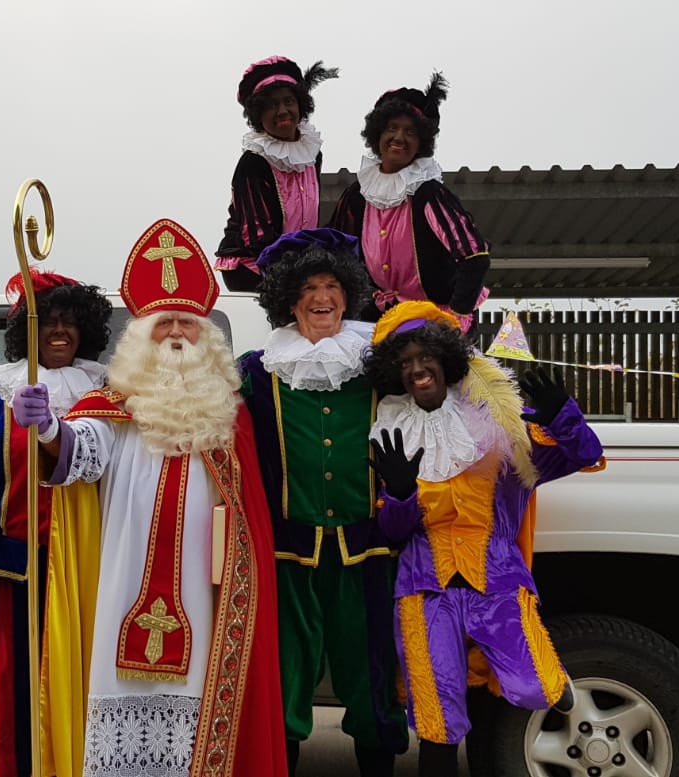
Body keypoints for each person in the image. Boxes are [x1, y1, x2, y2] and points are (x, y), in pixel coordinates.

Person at [14, 219, 287, 777]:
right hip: (120, 590)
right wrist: (46, 430)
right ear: (141, 336)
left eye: (189, 321)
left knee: (199, 717)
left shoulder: (228, 418)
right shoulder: (110, 409)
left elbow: (247, 516)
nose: (178, 333)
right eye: (165, 324)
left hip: (206, 600)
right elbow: (78, 455)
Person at [363, 301, 603, 777]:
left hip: (496, 580)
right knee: (437, 722)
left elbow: (582, 454)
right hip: (423, 589)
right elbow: (390, 534)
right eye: (404, 363)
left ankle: (552, 683)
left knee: (536, 687)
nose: (416, 370)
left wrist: (562, 417)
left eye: (423, 357)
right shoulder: (391, 430)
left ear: (444, 358)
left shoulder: (496, 425)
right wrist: (402, 493)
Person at [236, 229, 407, 776]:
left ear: (346, 293)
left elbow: (443, 391)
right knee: (287, 673)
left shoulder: (379, 362)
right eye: (309, 286)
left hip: (366, 547)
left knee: (370, 669)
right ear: (290, 299)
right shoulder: (258, 372)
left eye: (332, 284)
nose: (322, 296)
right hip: (289, 552)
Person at [0, 271, 114, 777]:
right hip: (14, 569)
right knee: (16, 692)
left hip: (89, 571)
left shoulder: (104, 392)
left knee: (83, 687)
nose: (59, 332)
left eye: (69, 322)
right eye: (47, 323)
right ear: (27, 334)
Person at [330, 73, 490, 327]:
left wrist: (454, 316)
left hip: (433, 319)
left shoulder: (429, 194)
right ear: (377, 134)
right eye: (392, 128)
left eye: (410, 132)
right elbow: (336, 252)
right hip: (379, 319)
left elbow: (475, 257)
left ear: (421, 143)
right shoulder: (357, 195)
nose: (399, 138)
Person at [216, 56, 339, 293]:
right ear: (258, 115)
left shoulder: (312, 154)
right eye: (271, 105)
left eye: (288, 102)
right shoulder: (253, 162)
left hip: (299, 265)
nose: (282, 111)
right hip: (253, 267)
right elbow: (257, 236)